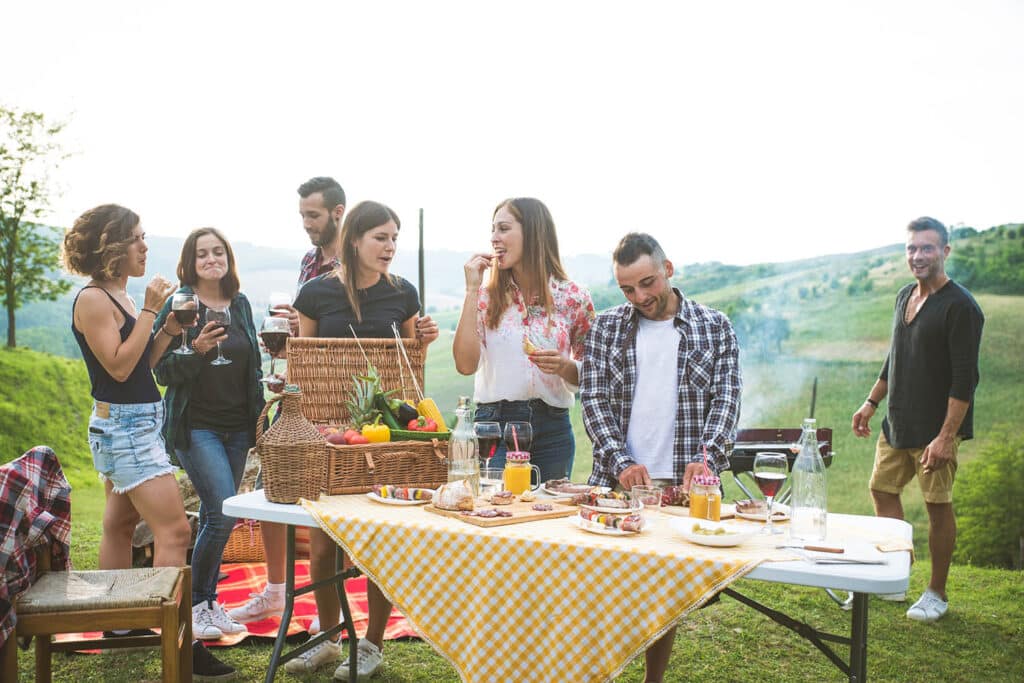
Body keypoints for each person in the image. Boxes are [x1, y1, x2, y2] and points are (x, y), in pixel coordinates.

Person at [62, 204, 236, 679]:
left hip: (132, 423)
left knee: (119, 525)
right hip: (126, 430)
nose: (145, 246)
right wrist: (153, 310)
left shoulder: (120, 296)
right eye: (137, 238)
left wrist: (166, 331)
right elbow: (117, 367)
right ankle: (177, 639)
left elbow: (141, 364)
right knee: (176, 532)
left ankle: (118, 626)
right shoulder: (94, 299)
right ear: (112, 246)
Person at [284, 200, 439, 680]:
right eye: (381, 237)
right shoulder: (314, 294)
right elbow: (302, 364)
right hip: (331, 428)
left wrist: (425, 341)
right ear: (354, 240)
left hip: (386, 430)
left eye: (394, 237)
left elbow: (411, 367)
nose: (390, 246)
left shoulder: (403, 294)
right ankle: (329, 638)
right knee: (324, 542)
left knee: (380, 543)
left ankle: (371, 644)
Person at [580, 232, 741, 683]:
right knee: (606, 588)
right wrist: (619, 461)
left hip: (685, 488)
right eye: (628, 289)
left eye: (647, 282)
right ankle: (602, 673)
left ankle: (654, 679)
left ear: (668, 269)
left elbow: (727, 399)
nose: (641, 297)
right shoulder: (606, 327)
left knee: (661, 596)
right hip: (617, 482)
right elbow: (591, 400)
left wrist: (707, 456)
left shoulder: (715, 326)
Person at [851, 216, 983, 623]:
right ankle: (897, 575)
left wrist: (947, 436)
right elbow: (896, 355)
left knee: (936, 507)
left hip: (934, 431)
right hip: (897, 423)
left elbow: (966, 379)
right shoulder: (904, 295)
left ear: (945, 251)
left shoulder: (962, 308)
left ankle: (936, 593)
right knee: (882, 491)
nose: (918, 255)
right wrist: (872, 402)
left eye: (927, 248)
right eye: (912, 248)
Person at [229, 176, 347, 629]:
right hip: (296, 389)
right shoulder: (307, 261)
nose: (305, 224)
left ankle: (327, 608)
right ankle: (276, 592)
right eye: (301, 215)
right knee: (274, 485)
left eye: (312, 215)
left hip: (335, 395)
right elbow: (302, 332)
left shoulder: (356, 266)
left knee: (331, 500)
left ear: (338, 213)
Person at [153, 228, 266, 641]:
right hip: (195, 425)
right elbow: (161, 370)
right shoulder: (180, 304)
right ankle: (198, 606)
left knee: (222, 514)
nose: (212, 259)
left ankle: (208, 602)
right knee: (221, 511)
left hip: (237, 427)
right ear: (190, 262)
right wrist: (198, 351)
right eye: (202, 254)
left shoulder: (241, 304)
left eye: (218, 251)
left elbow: (251, 363)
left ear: (228, 258)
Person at [452, 197, 595, 481]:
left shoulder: (574, 298)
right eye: (492, 230)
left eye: (503, 229)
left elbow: (592, 373)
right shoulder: (483, 297)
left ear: (533, 232)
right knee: (498, 513)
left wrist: (565, 367)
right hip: (496, 427)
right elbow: (466, 365)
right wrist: (471, 290)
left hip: (554, 429)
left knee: (549, 517)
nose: (494, 238)